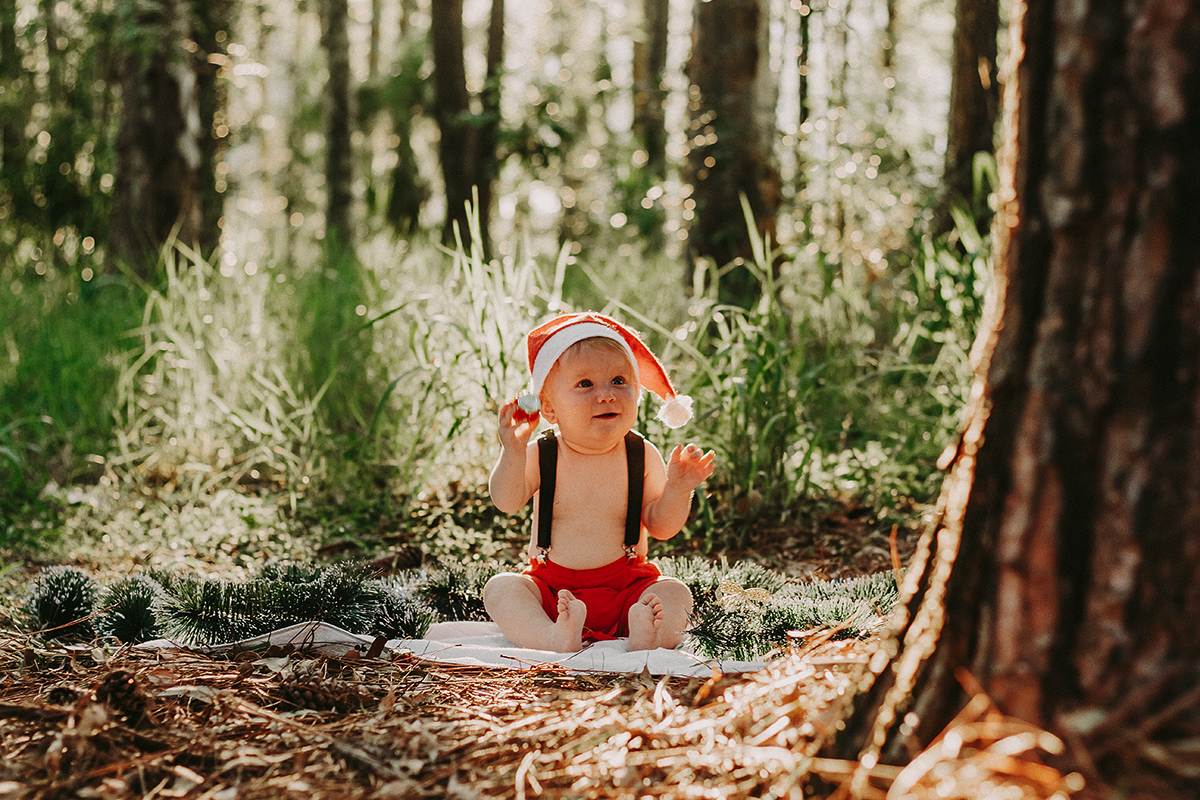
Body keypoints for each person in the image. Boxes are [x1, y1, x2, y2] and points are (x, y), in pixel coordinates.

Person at [483, 312, 715, 653]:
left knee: (675, 593)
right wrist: (513, 451)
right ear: (548, 407)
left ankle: (646, 635)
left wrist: (679, 489)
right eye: (585, 384)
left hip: (628, 587)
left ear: (637, 392)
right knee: (501, 588)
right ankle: (551, 636)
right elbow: (506, 501)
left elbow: (662, 527)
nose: (606, 395)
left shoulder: (641, 454)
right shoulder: (543, 453)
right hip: (552, 590)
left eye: (619, 381)